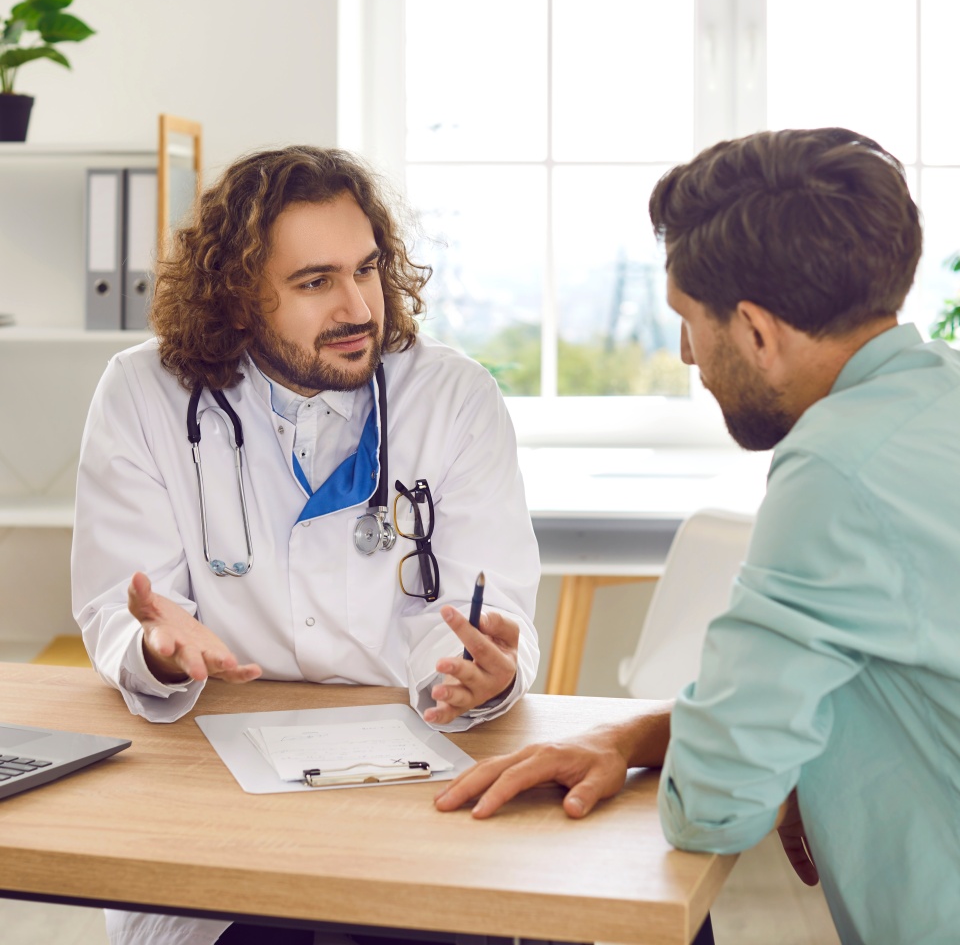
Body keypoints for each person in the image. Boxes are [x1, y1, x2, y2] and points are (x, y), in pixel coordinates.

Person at [434, 127, 960, 945]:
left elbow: (714, 805)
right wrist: (632, 735)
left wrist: (769, 771)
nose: (686, 354)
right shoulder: (939, 401)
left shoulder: (835, 470)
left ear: (755, 330)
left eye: (688, 321)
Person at [71, 146, 540, 945]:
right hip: (216, 788)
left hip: (410, 781)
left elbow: (479, 613)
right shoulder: (145, 393)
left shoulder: (454, 398)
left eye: (366, 269)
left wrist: (477, 674)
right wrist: (153, 644)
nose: (358, 306)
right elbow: (125, 604)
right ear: (237, 296)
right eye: (315, 281)